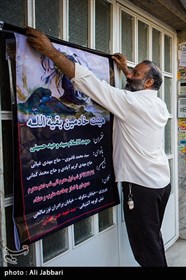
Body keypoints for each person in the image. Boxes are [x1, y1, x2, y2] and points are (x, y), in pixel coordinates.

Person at [26, 27, 171, 267]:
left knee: (147, 251)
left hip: (142, 188)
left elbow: (90, 83)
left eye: (135, 72)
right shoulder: (157, 104)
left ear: (148, 82)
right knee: (152, 239)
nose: (130, 74)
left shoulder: (132, 103)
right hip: (161, 185)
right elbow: (135, 89)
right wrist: (126, 69)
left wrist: (50, 51)